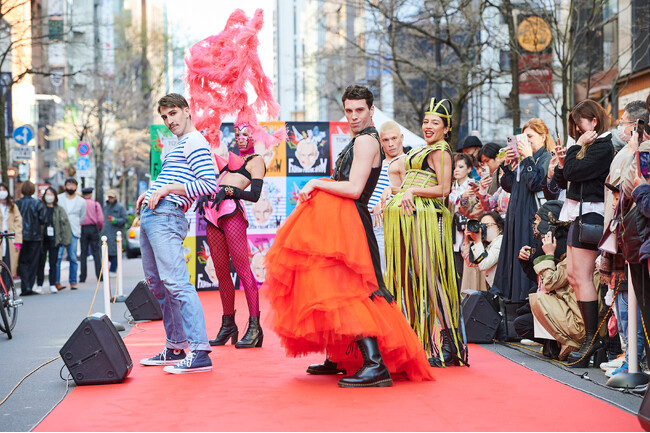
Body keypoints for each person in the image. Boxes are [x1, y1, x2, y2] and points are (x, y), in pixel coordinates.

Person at [264, 85, 434, 387]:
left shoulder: (366, 141)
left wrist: (316, 182)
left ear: (371, 110)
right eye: (349, 110)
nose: (353, 116)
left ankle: (375, 365)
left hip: (351, 223)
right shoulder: (360, 139)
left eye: (359, 110)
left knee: (353, 290)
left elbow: (354, 189)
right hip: (344, 223)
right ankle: (341, 356)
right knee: (334, 287)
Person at [136, 93, 218, 374]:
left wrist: (167, 190)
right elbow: (174, 178)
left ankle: (200, 351)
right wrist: (151, 192)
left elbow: (209, 185)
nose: (169, 121)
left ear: (187, 111)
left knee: (176, 283)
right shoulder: (181, 144)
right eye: (164, 116)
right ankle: (175, 346)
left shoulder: (195, 141)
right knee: (159, 285)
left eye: (173, 113)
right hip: (154, 214)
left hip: (167, 215)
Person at [383, 97, 467, 367]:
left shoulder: (441, 151)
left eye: (435, 123)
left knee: (431, 279)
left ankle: (451, 343)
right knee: (421, 277)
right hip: (413, 220)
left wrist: (411, 190)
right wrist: (392, 191)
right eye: (426, 121)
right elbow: (413, 184)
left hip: (427, 222)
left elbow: (444, 189)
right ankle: (437, 342)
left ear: (446, 128)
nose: (428, 126)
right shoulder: (425, 149)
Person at [552, 99, 614, 367]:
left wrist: (574, 150)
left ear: (594, 121)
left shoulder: (602, 146)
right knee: (574, 276)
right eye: (575, 126)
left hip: (592, 215)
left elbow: (574, 172)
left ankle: (592, 338)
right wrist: (562, 162)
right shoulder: (586, 146)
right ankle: (589, 337)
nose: (577, 130)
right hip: (576, 214)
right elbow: (563, 178)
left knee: (584, 276)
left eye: (580, 124)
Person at [199, 123, 267, 349]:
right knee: (220, 272)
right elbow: (218, 184)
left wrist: (230, 191)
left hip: (232, 213)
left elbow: (255, 195)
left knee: (243, 269)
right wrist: (207, 194)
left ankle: (255, 328)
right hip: (213, 213)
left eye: (245, 134)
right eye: (238, 134)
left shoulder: (256, 160)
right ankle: (228, 325)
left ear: (254, 136)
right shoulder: (230, 162)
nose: (240, 138)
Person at [492, 118, 553, 303]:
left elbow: (535, 183)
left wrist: (527, 158)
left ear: (543, 137)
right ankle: (513, 302)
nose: (526, 141)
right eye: (524, 137)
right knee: (514, 257)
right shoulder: (524, 160)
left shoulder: (546, 158)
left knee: (526, 256)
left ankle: (527, 300)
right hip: (515, 216)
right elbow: (508, 185)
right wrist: (507, 165)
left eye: (530, 136)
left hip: (530, 216)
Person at [367, 121, 406, 275]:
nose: (390, 144)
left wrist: (384, 203)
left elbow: (408, 192)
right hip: (371, 221)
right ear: (380, 141)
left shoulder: (402, 161)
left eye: (394, 138)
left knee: (386, 272)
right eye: (386, 140)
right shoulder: (382, 162)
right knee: (378, 270)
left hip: (384, 222)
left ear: (401, 137)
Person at [36, 187, 71, 294]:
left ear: (55, 196)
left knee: (53, 263)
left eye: (51, 194)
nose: (49, 196)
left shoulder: (59, 209)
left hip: (55, 240)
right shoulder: (40, 207)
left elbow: (65, 225)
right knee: (41, 263)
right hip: (42, 239)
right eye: (47, 194)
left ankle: (52, 284)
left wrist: (65, 240)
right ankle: (39, 285)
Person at [15, 181, 46, 296]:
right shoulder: (38, 203)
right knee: (33, 262)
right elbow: (43, 219)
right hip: (35, 236)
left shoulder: (17, 203)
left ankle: (25, 286)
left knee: (22, 262)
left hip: (21, 236)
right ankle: (29, 286)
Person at [56, 178, 86, 290]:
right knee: (58, 257)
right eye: (69, 184)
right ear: (65, 186)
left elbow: (82, 216)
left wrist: (75, 223)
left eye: (73, 185)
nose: (71, 187)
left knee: (73, 257)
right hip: (60, 231)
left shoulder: (81, 201)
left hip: (74, 230)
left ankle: (73, 282)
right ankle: (56, 282)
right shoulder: (59, 198)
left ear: (76, 187)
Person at [461, 210, 504, 289]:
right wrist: (466, 240)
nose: (485, 229)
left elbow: (484, 265)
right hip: (495, 289)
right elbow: (471, 263)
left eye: (488, 225)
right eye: (482, 226)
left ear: (500, 228)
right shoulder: (487, 244)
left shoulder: (500, 241)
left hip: (503, 290)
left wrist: (477, 241)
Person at [79, 187, 103, 283]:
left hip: (83, 229)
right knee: (96, 253)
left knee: (83, 253)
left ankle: (82, 277)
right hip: (93, 228)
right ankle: (99, 276)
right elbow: (100, 219)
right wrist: (99, 228)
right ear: (90, 194)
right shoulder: (95, 204)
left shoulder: (80, 204)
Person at [0, 183, 22, 280]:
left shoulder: (12, 205)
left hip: (9, 237)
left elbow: (18, 222)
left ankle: (6, 287)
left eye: (4, 189)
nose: (2, 192)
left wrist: (18, 240)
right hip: (0, 237)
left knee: (8, 264)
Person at [102, 189, 127, 274]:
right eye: (109, 197)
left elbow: (125, 219)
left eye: (112, 197)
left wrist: (115, 220)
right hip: (106, 233)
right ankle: (107, 270)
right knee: (106, 252)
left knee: (115, 252)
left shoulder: (120, 208)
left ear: (115, 197)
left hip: (116, 233)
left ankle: (113, 270)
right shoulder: (105, 207)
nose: (110, 199)